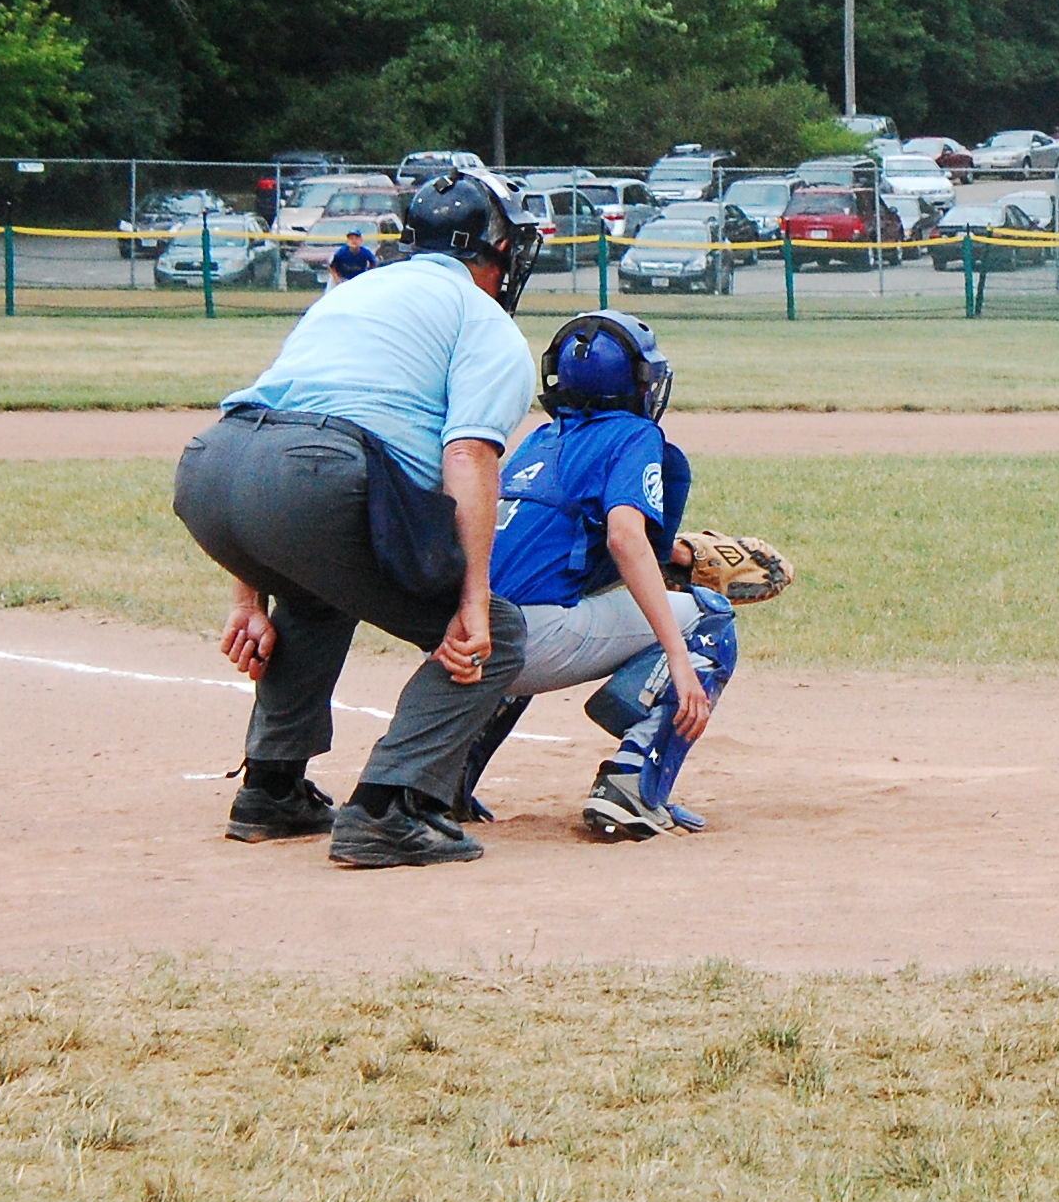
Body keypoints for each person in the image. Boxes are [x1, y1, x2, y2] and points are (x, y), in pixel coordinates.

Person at [171, 171, 544, 869]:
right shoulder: (484, 320)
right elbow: (468, 454)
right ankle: (389, 807)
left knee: (317, 593)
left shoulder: (355, 291)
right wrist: (472, 601)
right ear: (496, 251)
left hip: (210, 467)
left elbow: (267, 413)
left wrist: (249, 595)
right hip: (313, 474)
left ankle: (272, 789)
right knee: (497, 634)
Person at [452, 312, 741, 840]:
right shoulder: (634, 434)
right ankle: (631, 786)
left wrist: (676, 556)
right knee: (709, 618)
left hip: (469, 640)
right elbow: (624, 538)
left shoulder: (540, 439)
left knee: (528, 601)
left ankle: (446, 777)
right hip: (533, 643)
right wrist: (677, 657)